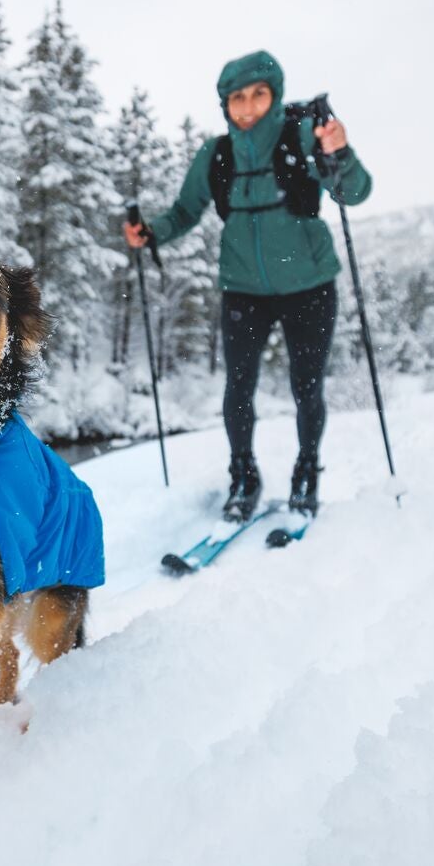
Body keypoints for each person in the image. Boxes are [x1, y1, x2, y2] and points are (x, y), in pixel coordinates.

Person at [125, 50, 372, 522]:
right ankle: (243, 476)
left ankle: (307, 473)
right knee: (237, 389)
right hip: (243, 290)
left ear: (275, 96)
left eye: (259, 94)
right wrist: (150, 231)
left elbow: (354, 192)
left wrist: (339, 153)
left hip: (311, 285)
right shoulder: (216, 155)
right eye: (238, 97)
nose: (249, 106)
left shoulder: (304, 136)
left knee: (307, 386)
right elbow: (184, 211)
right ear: (226, 104)